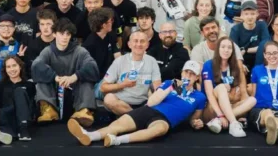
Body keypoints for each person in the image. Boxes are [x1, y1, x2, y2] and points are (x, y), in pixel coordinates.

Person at [68, 59, 206, 147]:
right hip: (150, 110)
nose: (188, 76)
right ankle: (89, 135)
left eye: (192, 74)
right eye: (186, 72)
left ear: (197, 77)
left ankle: (117, 140)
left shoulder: (199, 97)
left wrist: (196, 123)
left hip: (165, 119)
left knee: (160, 130)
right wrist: (171, 88)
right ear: (182, 73)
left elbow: (195, 118)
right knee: (119, 124)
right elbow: (151, 102)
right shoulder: (170, 83)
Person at [32, 18, 99, 125]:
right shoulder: (47, 51)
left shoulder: (79, 51)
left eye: (68, 34)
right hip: (54, 88)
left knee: (86, 80)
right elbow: (36, 65)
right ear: (54, 34)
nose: (65, 37)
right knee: (41, 78)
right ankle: (49, 110)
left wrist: (74, 77)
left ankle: (84, 111)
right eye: (61, 33)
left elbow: (92, 66)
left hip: (75, 88)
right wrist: (55, 77)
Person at [200, 36, 253, 137]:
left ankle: (220, 121)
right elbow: (209, 94)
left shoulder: (235, 66)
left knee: (252, 100)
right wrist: (220, 114)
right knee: (221, 87)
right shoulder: (208, 65)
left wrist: (243, 113)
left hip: (228, 106)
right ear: (218, 49)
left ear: (232, 51)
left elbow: (241, 92)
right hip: (211, 108)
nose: (226, 50)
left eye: (229, 47)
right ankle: (233, 123)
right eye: (223, 47)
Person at [102, 31, 161, 116]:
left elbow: (157, 86)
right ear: (129, 44)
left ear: (147, 45)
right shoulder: (119, 61)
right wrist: (123, 85)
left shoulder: (152, 61)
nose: (139, 44)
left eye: (142, 41)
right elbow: (103, 87)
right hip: (121, 102)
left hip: (143, 102)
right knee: (108, 99)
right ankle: (138, 117)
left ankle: (131, 118)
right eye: (135, 41)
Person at [249, 40, 278, 145]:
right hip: (260, 108)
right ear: (264, 55)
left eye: (275, 53)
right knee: (268, 114)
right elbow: (253, 93)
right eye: (268, 53)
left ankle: (273, 130)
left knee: (277, 118)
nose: (272, 56)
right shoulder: (257, 70)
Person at [0, 55, 34, 141]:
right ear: (5, 69)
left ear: (20, 66)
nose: (12, 69)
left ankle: (23, 129)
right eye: (8, 67)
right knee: (3, 113)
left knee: (19, 91)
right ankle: (9, 133)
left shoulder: (29, 85)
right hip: (8, 116)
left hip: (24, 118)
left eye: (14, 65)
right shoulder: (0, 85)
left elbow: (31, 105)